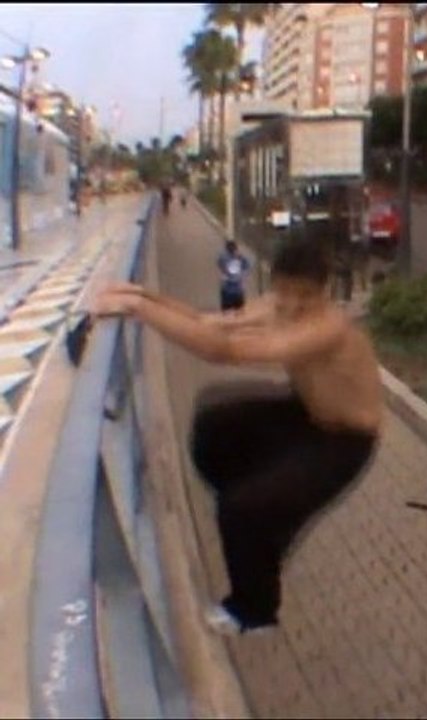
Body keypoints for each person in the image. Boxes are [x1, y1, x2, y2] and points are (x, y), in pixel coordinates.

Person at [92, 232, 384, 635]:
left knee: (243, 509)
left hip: (346, 442)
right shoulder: (274, 306)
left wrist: (138, 309)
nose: (295, 306)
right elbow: (204, 321)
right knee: (215, 418)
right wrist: (139, 294)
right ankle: (261, 527)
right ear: (274, 284)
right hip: (304, 414)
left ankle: (255, 611)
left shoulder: (327, 327)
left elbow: (223, 351)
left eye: (306, 296)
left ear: (325, 291)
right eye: (286, 294)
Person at [217, 240, 251, 312]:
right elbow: (220, 265)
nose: (231, 249)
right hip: (228, 287)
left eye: (233, 247)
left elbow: (247, 266)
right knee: (228, 310)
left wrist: (243, 275)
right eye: (229, 247)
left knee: (238, 310)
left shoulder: (240, 257)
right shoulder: (223, 257)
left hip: (236, 287)